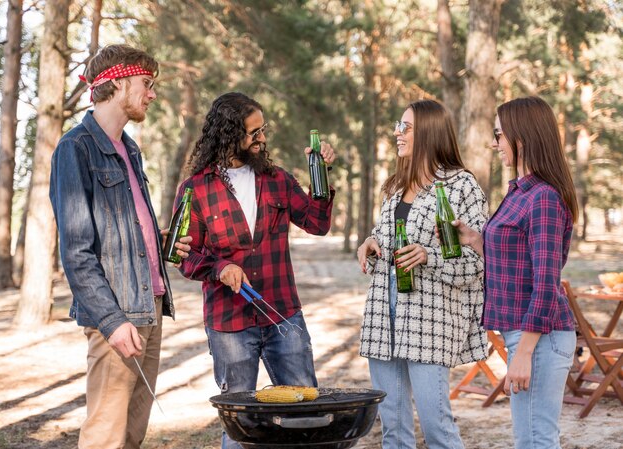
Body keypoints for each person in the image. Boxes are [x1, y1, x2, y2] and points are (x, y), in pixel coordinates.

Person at [49, 44, 191, 449]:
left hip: (150, 309)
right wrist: (111, 322)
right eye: (146, 84)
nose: (152, 94)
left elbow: (121, 229)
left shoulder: (129, 149)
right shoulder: (75, 149)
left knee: (131, 434)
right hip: (117, 316)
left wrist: (158, 241)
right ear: (118, 83)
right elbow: (77, 252)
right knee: (105, 438)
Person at [175, 92, 336, 449]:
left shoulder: (278, 179)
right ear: (229, 134)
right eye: (253, 132)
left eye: (262, 129)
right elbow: (185, 256)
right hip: (229, 323)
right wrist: (219, 267)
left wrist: (321, 176)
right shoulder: (195, 189)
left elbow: (317, 224)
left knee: (306, 413)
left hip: (283, 314)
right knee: (241, 425)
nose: (261, 138)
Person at [356, 99, 488, 449]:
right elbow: (385, 237)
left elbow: (477, 264)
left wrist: (428, 256)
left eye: (406, 127)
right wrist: (370, 242)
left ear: (428, 133)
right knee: (393, 430)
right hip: (383, 319)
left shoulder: (461, 187)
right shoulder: (396, 187)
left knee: (436, 427)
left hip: (432, 321)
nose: (397, 133)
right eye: (398, 125)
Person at [451, 96, 578, 449]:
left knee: (536, 441)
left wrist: (522, 354)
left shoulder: (544, 198)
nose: (495, 143)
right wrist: (476, 240)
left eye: (499, 134)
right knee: (528, 438)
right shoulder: (520, 192)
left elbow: (546, 282)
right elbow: (515, 263)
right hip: (524, 335)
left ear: (520, 138)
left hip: (539, 337)